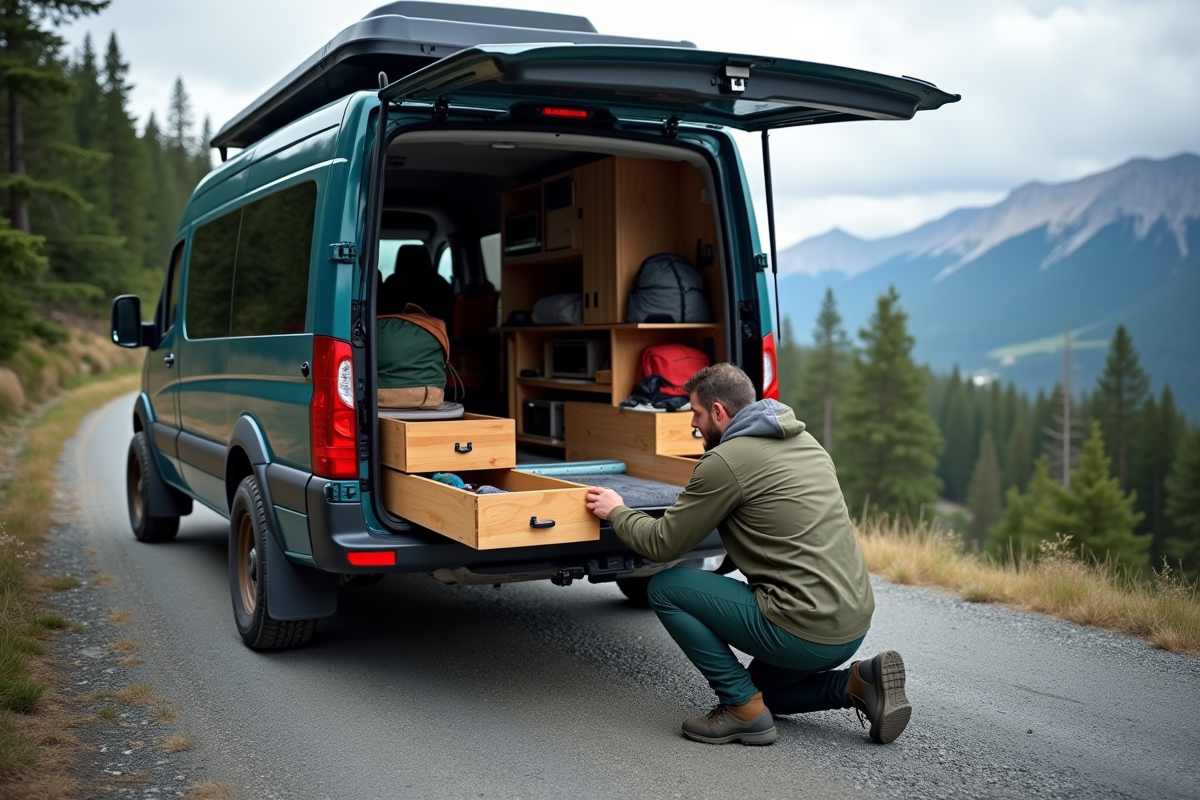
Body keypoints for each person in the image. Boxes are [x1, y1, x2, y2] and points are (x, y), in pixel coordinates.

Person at [585, 363, 911, 746]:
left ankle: (741, 709)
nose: (693, 424)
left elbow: (662, 544)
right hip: (851, 625)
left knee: (666, 587)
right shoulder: (807, 443)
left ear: (719, 411)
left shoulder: (725, 461)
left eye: (696, 413)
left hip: (803, 629)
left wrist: (617, 511)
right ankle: (859, 684)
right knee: (767, 694)